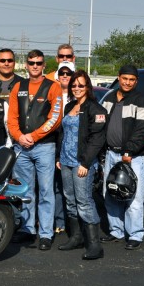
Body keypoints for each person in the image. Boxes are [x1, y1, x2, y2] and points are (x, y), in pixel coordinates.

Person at [8, 49, 63, 250]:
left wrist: (34, 136)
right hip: (21, 146)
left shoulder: (53, 87)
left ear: (44, 66)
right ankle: (27, 229)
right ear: (26, 64)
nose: (35, 66)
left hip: (45, 147)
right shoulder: (18, 87)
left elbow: (55, 118)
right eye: (31, 62)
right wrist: (19, 136)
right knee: (25, 190)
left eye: (39, 63)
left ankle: (46, 233)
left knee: (47, 191)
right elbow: (11, 118)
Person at [100, 65, 144, 250]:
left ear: (136, 81)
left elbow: (142, 130)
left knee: (134, 197)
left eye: (132, 79)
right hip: (111, 154)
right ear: (119, 78)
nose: (127, 82)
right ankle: (116, 231)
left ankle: (135, 234)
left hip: (132, 157)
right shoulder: (108, 98)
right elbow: (100, 125)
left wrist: (129, 151)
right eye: (125, 78)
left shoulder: (143, 101)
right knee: (111, 193)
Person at [56, 70, 107, 260]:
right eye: (74, 85)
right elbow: (63, 133)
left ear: (88, 87)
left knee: (84, 201)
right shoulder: (70, 105)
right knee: (70, 200)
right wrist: (58, 157)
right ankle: (76, 238)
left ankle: (95, 245)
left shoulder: (95, 108)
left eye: (81, 85)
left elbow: (97, 138)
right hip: (66, 161)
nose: (77, 88)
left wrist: (85, 162)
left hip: (82, 163)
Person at [53, 60, 76, 234]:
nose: (65, 76)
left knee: (72, 188)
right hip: (53, 144)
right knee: (55, 187)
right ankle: (59, 221)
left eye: (69, 73)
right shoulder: (52, 93)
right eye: (62, 73)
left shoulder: (78, 96)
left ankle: (73, 223)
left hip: (72, 147)